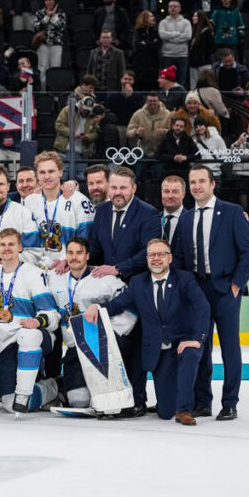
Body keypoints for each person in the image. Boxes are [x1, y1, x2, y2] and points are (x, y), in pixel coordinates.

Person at [84, 238, 208, 425]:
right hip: (160, 350)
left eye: (161, 254)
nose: (156, 258)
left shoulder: (184, 279)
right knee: (165, 412)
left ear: (170, 258)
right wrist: (97, 307)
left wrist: (197, 339)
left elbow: (202, 307)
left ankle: (184, 410)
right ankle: (175, 402)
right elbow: (118, 305)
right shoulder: (138, 283)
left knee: (189, 355)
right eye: (152, 255)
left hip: (183, 343)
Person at [172, 164, 249, 421]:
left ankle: (230, 403)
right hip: (198, 292)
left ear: (212, 184)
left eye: (201, 181)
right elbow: (181, 257)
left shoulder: (232, 212)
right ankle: (203, 402)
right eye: (193, 182)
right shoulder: (186, 218)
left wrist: (236, 285)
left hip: (225, 291)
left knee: (230, 349)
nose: (197, 186)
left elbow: (248, 252)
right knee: (201, 347)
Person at [87, 166, 160, 413]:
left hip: (137, 289)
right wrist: (76, 262)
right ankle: (115, 398)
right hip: (108, 291)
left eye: (123, 188)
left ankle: (137, 400)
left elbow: (147, 252)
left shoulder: (148, 213)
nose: (118, 192)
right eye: (114, 187)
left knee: (135, 345)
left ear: (134, 188)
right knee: (113, 344)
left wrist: (118, 268)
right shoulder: (102, 211)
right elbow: (96, 248)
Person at [47, 237, 137, 414]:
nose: (74, 257)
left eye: (79, 253)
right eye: (70, 253)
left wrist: (111, 333)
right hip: (74, 348)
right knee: (78, 401)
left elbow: (130, 306)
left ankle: (110, 396)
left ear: (88, 255)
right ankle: (61, 388)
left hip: (101, 344)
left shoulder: (105, 279)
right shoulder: (55, 279)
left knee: (108, 403)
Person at [0, 228, 59, 413]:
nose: (7, 248)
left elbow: (52, 314)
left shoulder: (33, 273)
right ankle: (46, 389)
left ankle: (51, 388)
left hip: (31, 338)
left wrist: (38, 322)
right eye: (3, 244)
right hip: (2, 345)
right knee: (9, 403)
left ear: (20, 247)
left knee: (27, 335)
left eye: (11, 244)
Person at [24, 151, 94, 271]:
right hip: (37, 270)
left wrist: (68, 260)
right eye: (42, 172)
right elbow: (28, 241)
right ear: (37, 175)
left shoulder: (79, 200)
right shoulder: (29, 202)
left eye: (51, 171)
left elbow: (86, 239)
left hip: (68, 269)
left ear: (60, 172)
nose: (47, 176)